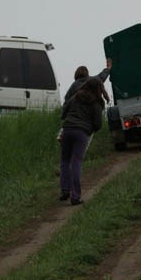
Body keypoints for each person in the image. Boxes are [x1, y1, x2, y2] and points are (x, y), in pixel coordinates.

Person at [58, 77, 105, 205]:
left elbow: (63, 114)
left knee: (64, 160)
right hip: (82, 133)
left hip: (67, 130)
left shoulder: (75, 97)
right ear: (98, 89)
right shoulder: (96, 103)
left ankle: (64, 190)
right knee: (76, 162)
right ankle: (75, 196)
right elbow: (98, 124)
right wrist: (89, 129)